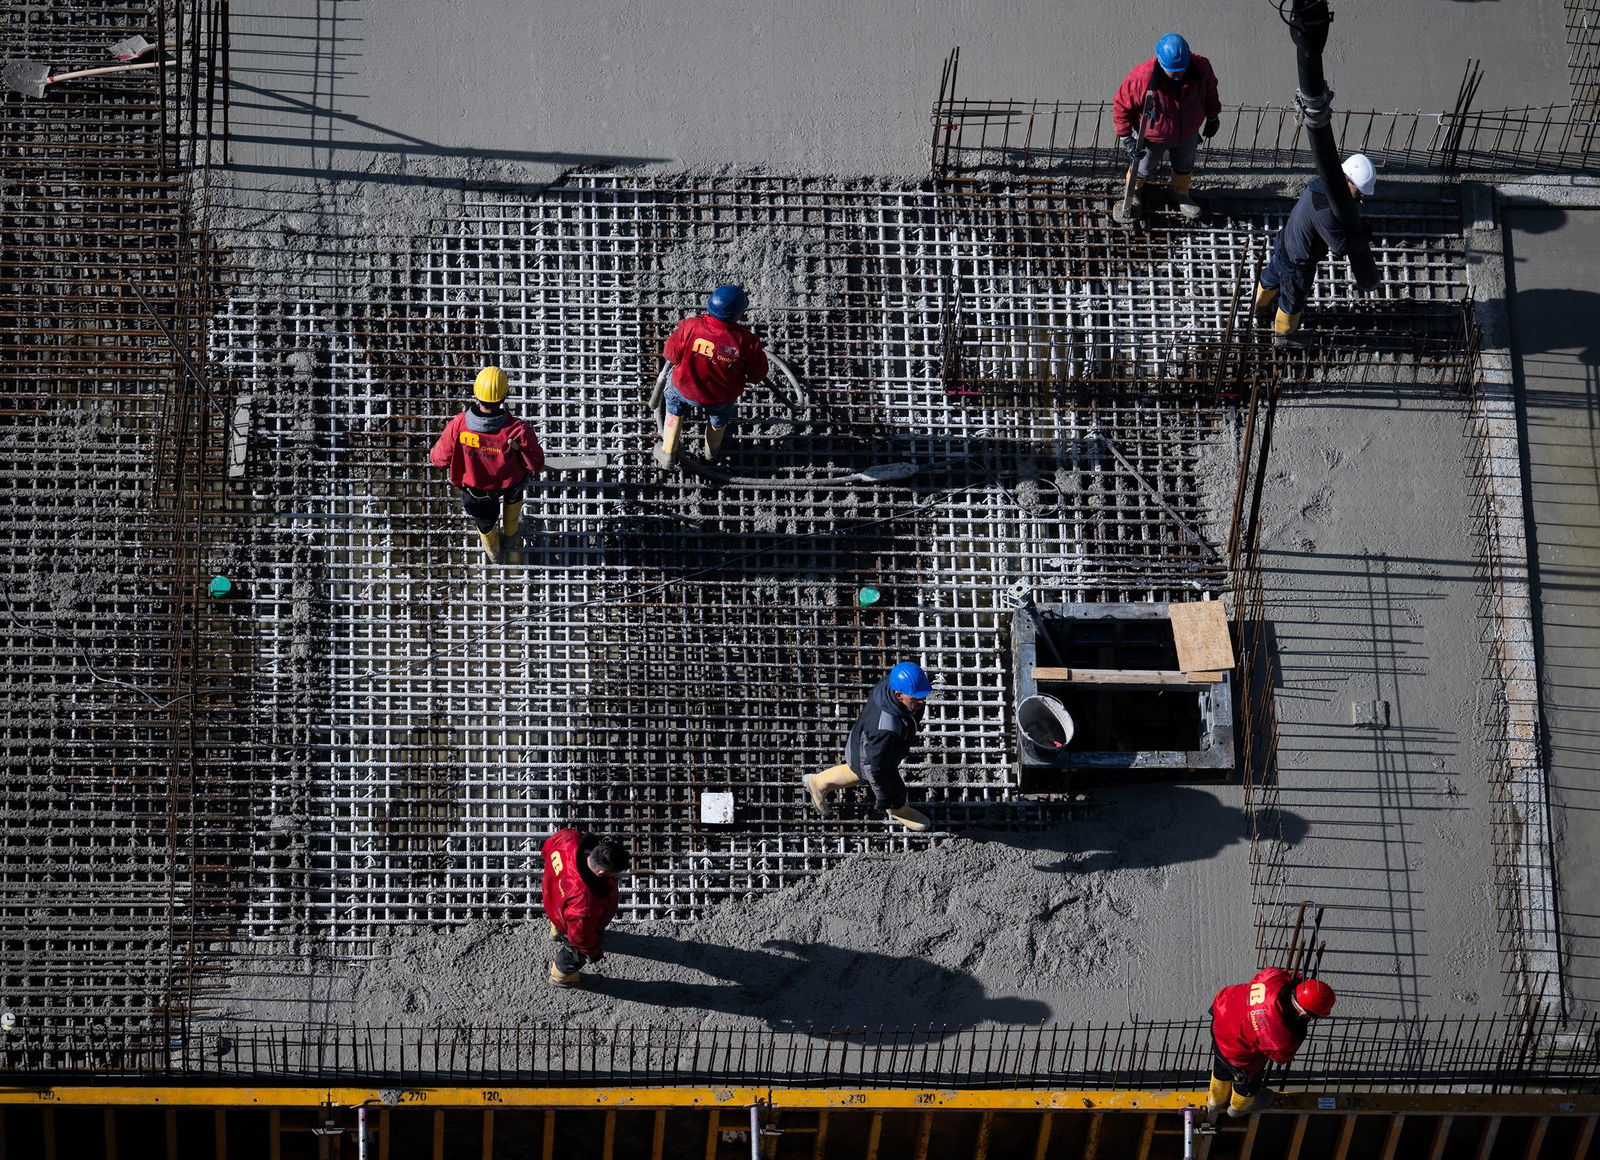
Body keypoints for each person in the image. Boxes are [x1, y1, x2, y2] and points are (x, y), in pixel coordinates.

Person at [1253, 154, 1378, 345]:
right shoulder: (1324, 210)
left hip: (1286, 242)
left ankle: (1258, 306)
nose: (1362, 196)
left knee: (1271, 275)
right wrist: (1363, 238)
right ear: (1348, 180)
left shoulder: (1323, 183)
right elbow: (1340, 246)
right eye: (1360, 191)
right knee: (1292, 300)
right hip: (1298, 262)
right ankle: (1283, 335)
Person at [429, 366, 545, 563]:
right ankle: (511, 535)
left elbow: (439, 459)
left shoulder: (459, 425)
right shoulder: (517, 430)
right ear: (504, 396)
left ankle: (494, 554)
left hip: (476, 491)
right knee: (514, 496)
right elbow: (536, 464)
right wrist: (518, 450)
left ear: (476, 394)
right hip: (510, 484)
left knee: (485, 523)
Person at [802, 662, 934, 831]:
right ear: (898, 694)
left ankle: (818, 782)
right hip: (870, 753)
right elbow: (874, 768)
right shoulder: (886, 728)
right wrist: (883, 798)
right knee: (890, 786)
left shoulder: (891, 685)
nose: (922, 701)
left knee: (856, 770)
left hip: (863, 740)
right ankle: (897, 808)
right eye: (915, 698)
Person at [1112, 33, 1222, 223]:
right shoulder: (1141, 77)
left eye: (1181, 70)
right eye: (1173, 72)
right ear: (1161, 63)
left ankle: (1179, 192)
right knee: (1143, 167)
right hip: (1153, 136)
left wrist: (1213, 116)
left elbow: (1211, 90)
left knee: (1184, 165)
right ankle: (1134, 193)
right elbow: (1122, 105)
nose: (1178, 76)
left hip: (1188, 132)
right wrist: (1126, 136)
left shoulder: (1201, 68)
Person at [655, 284, 769, 467]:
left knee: (674, 408)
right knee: (718, 419)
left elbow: (671, 355)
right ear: (737, 315)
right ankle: (711, 455)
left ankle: (668, 453)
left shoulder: (690, 326)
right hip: (720, 398)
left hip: (683, 389)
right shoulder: (748, 342)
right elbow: (757, 375)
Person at [1208, 967, 1336, 1117]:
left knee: (1221, 1070)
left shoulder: (1271, 978)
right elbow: (1281, 1057)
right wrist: (1299, 1029)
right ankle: (1238, 1108)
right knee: (1246, 1082)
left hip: (1222, 1020)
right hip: (1239, 1056)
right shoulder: (1282, 1035)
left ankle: (1215, 1102)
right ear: (1303, 1012)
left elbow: (1281, 973)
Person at [541, 828, 630, 987]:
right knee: (575, 953)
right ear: (601, 872)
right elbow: (580, 937)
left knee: (561, 917)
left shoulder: (568, 838)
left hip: (553, 901)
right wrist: (592, 951)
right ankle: (561, 977)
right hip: (570, 922)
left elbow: (547, 848)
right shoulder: (585, 904)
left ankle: (556, 931)